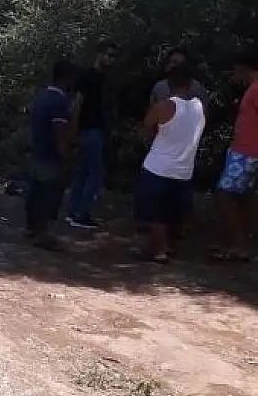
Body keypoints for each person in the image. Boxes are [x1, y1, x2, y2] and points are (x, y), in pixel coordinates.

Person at [134, 62, 205, 263]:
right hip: (184, 169)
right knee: (173, 212)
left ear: (169, 83)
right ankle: (166, 246)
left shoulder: (164, 106)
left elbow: (145, 129)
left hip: (158, 166)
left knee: (155, 212)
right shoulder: (199, 107)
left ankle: (159, 250)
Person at [25, 59, 79, 251]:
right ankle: (44, 234)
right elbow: (60, 131)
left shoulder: (41, 96)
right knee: (50, 193)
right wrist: (65, 154)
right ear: (68, 79)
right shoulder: (60, 101)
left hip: (38, 151)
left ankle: (32, 229)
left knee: (36, 192)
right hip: (50, 155)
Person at [66, 39, 119, 229]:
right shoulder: (87, 77)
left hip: (98, 129)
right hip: (89, 130)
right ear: (99, 54)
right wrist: (74, 130)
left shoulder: (104, 79)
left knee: (83, 172)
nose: (110, 59)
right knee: (96, 172)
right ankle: (81, 213)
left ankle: (74, 211)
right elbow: (77, 104)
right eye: (108, 54)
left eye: (113, 56)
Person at [212, 49, 258, 261]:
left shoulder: (256, 89)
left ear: (243, 67)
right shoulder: (252, 89)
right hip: (243, 151)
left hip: (248, 152)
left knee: (224, 194)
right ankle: (240, 242)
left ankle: (239, 245)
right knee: (244, 196)